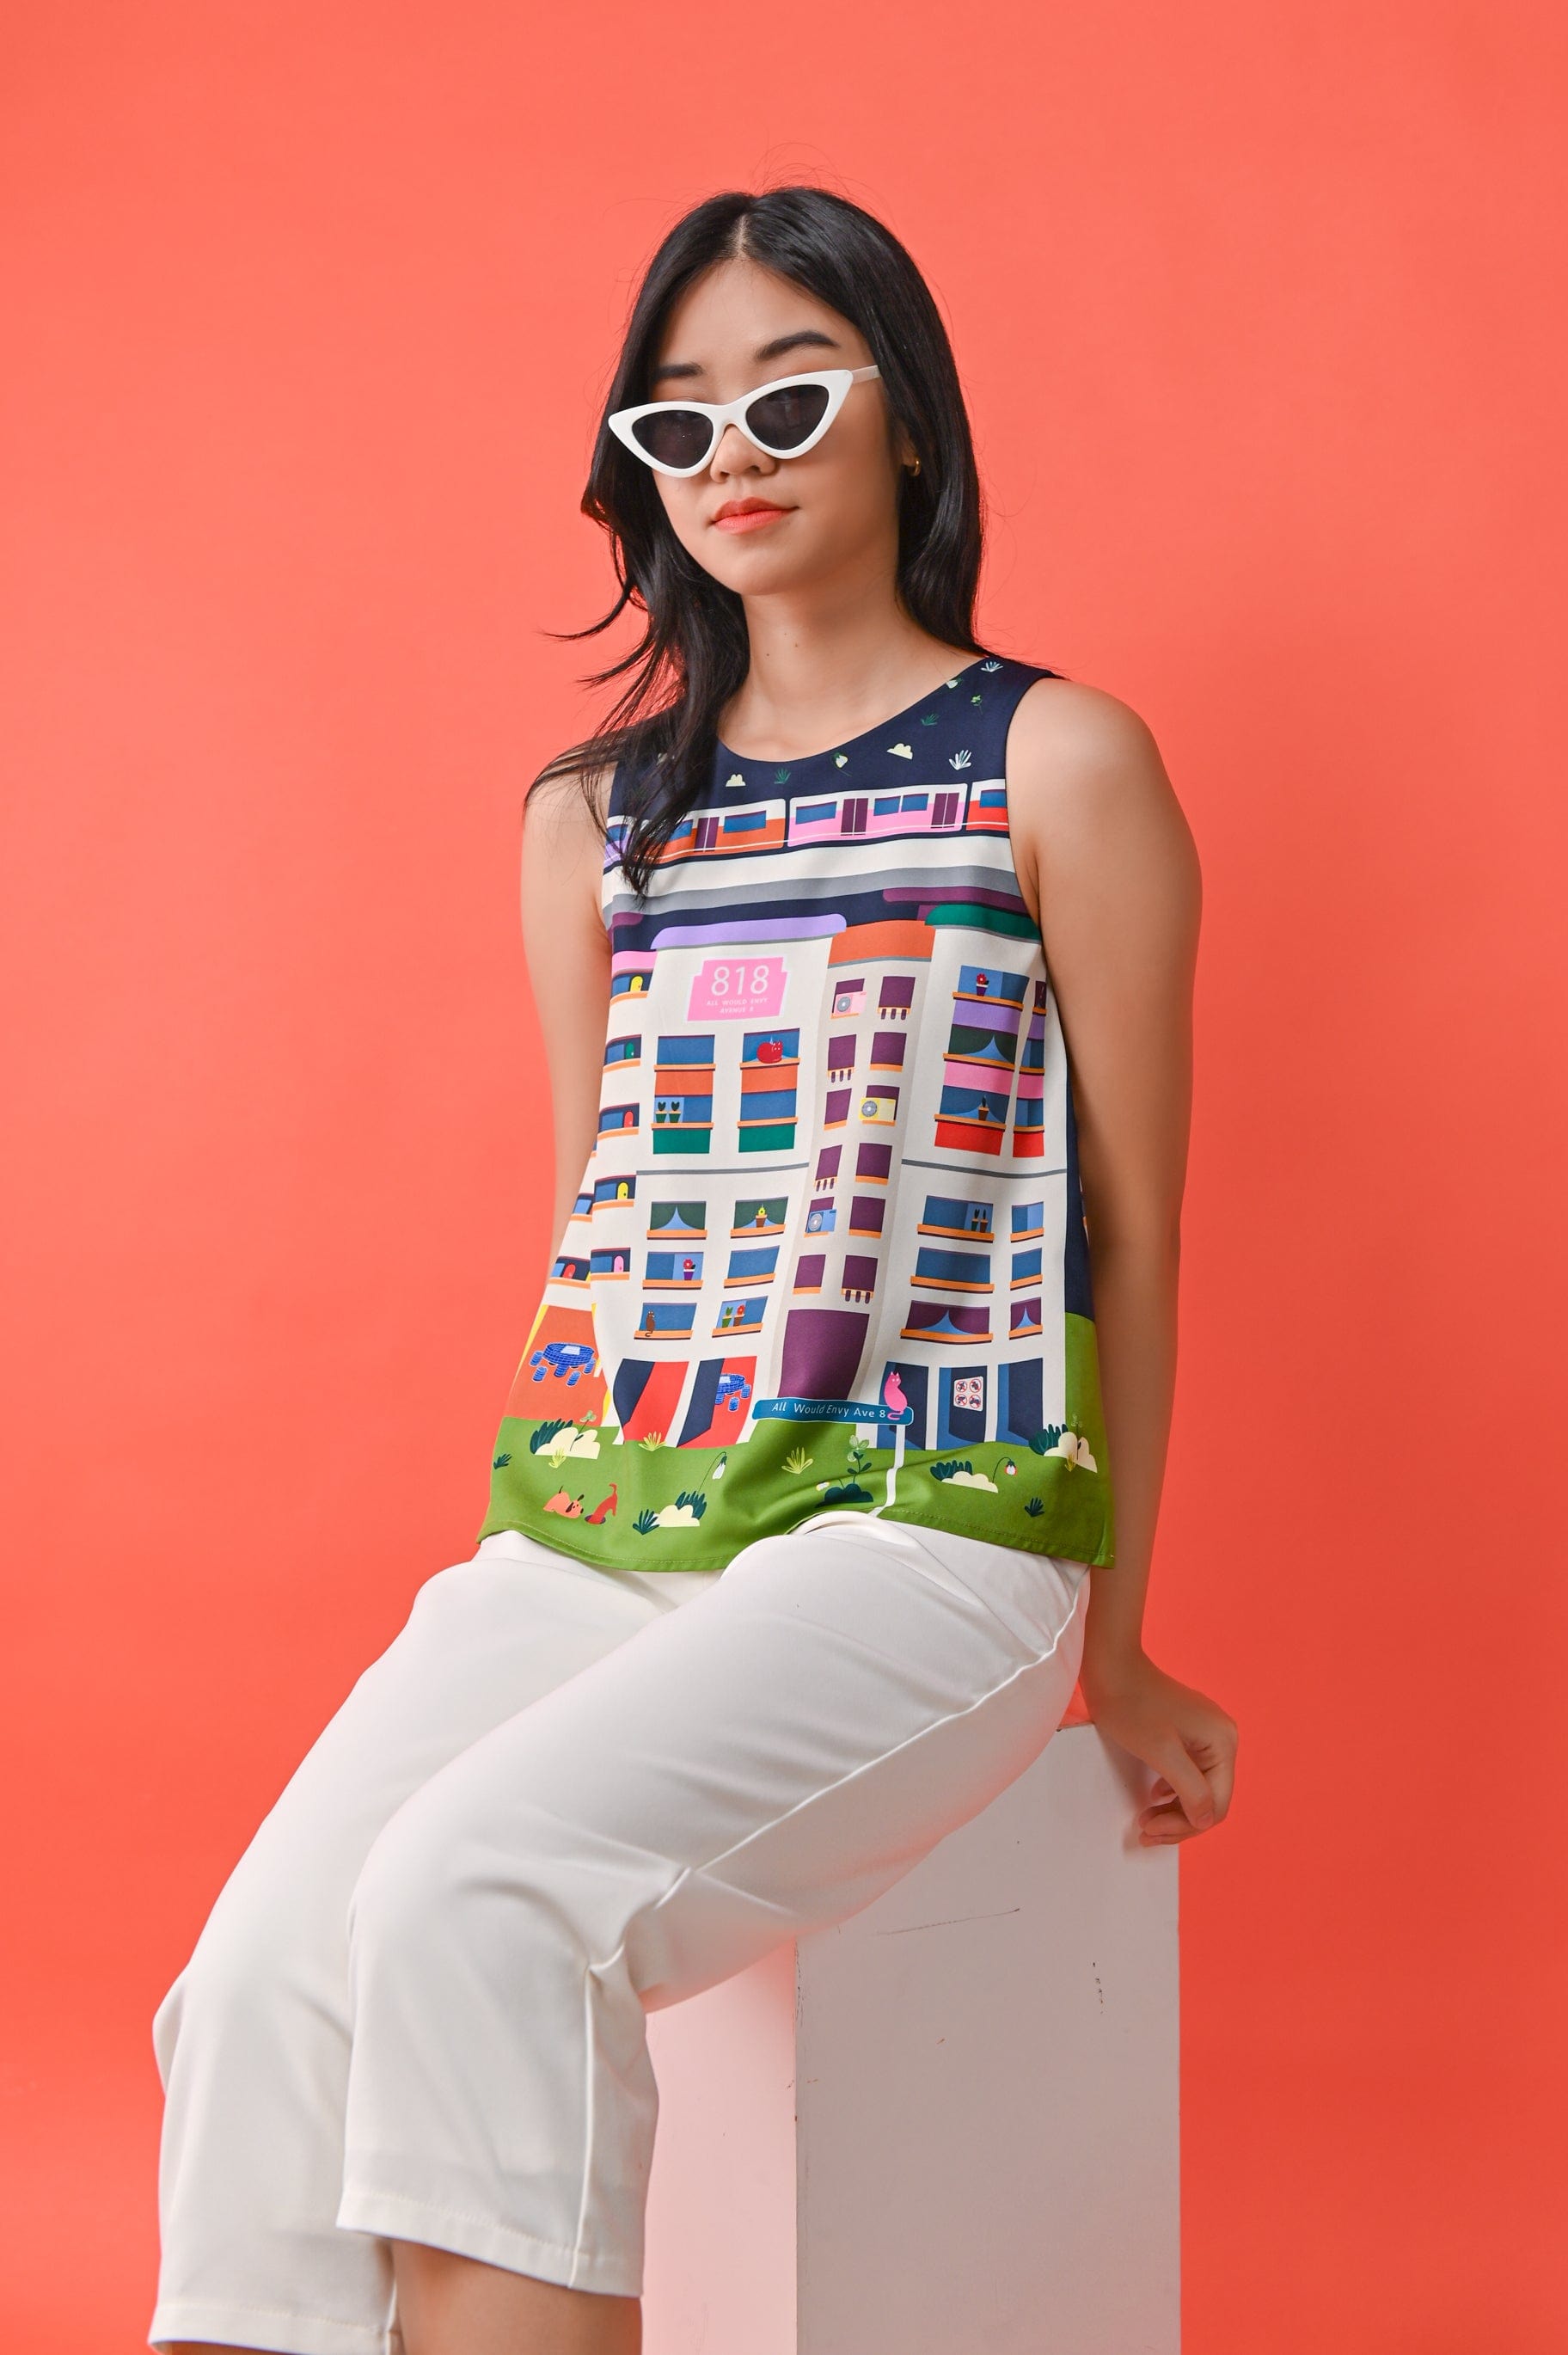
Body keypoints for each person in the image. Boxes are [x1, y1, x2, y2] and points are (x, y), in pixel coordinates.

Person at [149, 183, 1237, 2355]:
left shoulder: (1058, 762)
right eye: (679, 420)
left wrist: (1115, 1644)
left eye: (790, 396)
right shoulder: (596, 821)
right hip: (610, 1514)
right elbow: (604, 1213)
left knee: (482, 1890)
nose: (732, 452)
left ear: (906, 422)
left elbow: (1127, 1225)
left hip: (930, 1524)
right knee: (261, 1976)